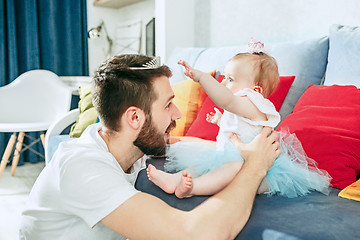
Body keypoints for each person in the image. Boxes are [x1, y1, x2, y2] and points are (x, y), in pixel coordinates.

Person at [20, 54, 281, 239]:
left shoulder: (122, 143)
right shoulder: (82, 168)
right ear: (134, 118)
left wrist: (232, 147)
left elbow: (178, 142)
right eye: (168, 104)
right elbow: (197, 234)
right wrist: (255, 165)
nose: (178, 114)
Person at [147, 39, 331, 199]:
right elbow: (237, 128)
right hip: (226, 153)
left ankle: (193, 189)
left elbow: (226, 100)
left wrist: (202, 77)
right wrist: (221, 121)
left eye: (230, 79)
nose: (223, 83)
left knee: (231, 169)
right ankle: (174, 180)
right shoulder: (242, 105)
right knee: (201, 164)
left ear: (255, 90)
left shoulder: (253, 102)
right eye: (224, 77)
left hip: (250, 163)